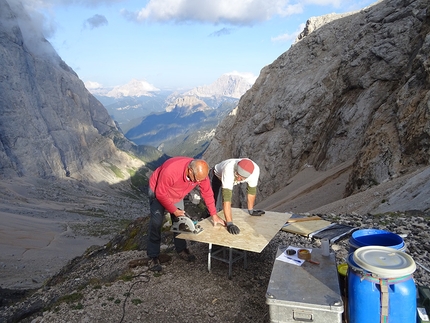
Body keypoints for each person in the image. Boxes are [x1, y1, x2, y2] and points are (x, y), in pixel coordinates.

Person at [147, 157, 225, 271]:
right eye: (196, 180)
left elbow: (207, 193)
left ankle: (181, 249)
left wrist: (214, 215)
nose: (198, 182)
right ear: (189, 170)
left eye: (200, 180)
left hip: (176, 193)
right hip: (158, 191)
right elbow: (160, 194)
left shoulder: (200, 174)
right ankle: (153, 256)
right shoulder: (171, 171)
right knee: (156, 223)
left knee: (181, 222)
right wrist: (174, 210)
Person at [209, 158, 265, 235]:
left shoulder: (255, 172)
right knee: (216, 209)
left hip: (229, 178)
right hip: (216, 177)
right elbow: (226, 199)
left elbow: (251, 191)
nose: (238, 179)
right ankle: (215, 240)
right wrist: (230, 224)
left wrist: (251, 211)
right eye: (237, 175)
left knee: (221, 211)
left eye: (241, 178)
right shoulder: (229, 169)